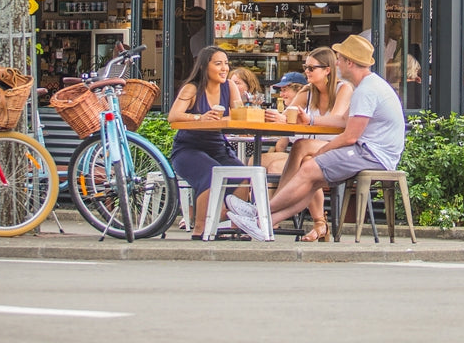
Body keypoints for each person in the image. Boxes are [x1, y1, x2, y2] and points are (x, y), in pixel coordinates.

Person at [225, 35, 405, 241]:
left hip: (373, 154)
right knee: (308, 166)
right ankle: (262, 223)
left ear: (350, 62)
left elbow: (350, 136)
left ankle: (258, 212)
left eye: (339, 59)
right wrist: (309, 119)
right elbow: (342, 121)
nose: (336, 63)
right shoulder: (367, 86)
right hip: (370, 150)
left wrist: (322, 152)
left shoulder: (366, 90)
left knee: (310, 167)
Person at [262, 48, 353, 241]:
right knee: (307, 161)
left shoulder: (343, 88)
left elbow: (337, 121)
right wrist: (280, 117)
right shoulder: (307, 91)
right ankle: (320, 224)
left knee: (302, 147)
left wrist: (308, 119)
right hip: (313, 150)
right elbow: (288, 116)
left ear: (327, 70)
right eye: (306, 67)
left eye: (312, 68)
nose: (307, 72)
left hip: (337, 147)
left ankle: (270, 209)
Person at [168, 45, 246, 239]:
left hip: (218, 146)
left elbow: (239, 113)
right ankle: (200, 229)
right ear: (204, 67)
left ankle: (235, 225)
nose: (224, 68)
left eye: (226, 64)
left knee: (244, 175)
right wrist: (198, 118)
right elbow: (173, 116)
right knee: (212, 174)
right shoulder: (192, 88)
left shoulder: (229, 86)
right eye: (218, 64)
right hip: (188, 149)